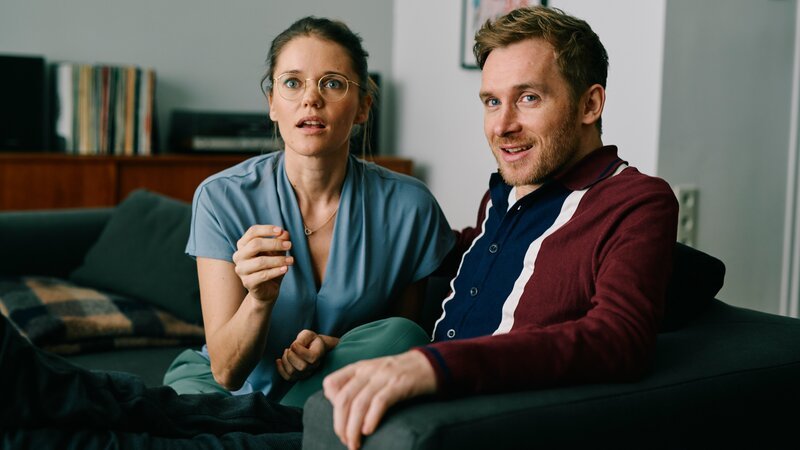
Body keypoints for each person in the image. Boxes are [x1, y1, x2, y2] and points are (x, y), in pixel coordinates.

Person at [320, 6, 679, 450]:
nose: (503, 126)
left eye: (528, 98)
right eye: (492, 101)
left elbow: (619, 337)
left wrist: (434, 366)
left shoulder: (636, 201)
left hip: (470, 418)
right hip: (401, 404)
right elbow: (467, 260)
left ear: (590, 104)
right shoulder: (504, 195)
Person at [162, 16, 454, 402]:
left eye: (332, 83)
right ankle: (290, 426)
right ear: (272, 104)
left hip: (336, 377)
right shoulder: (220, 198)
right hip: (225, 390)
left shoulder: (411, 206)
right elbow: (227, 372)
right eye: (292, 82)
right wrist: (260, 300)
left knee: (406, 336)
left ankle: (279, 425)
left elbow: (398, 346)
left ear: (363, 107)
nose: (310, 98)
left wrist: (333, 346)